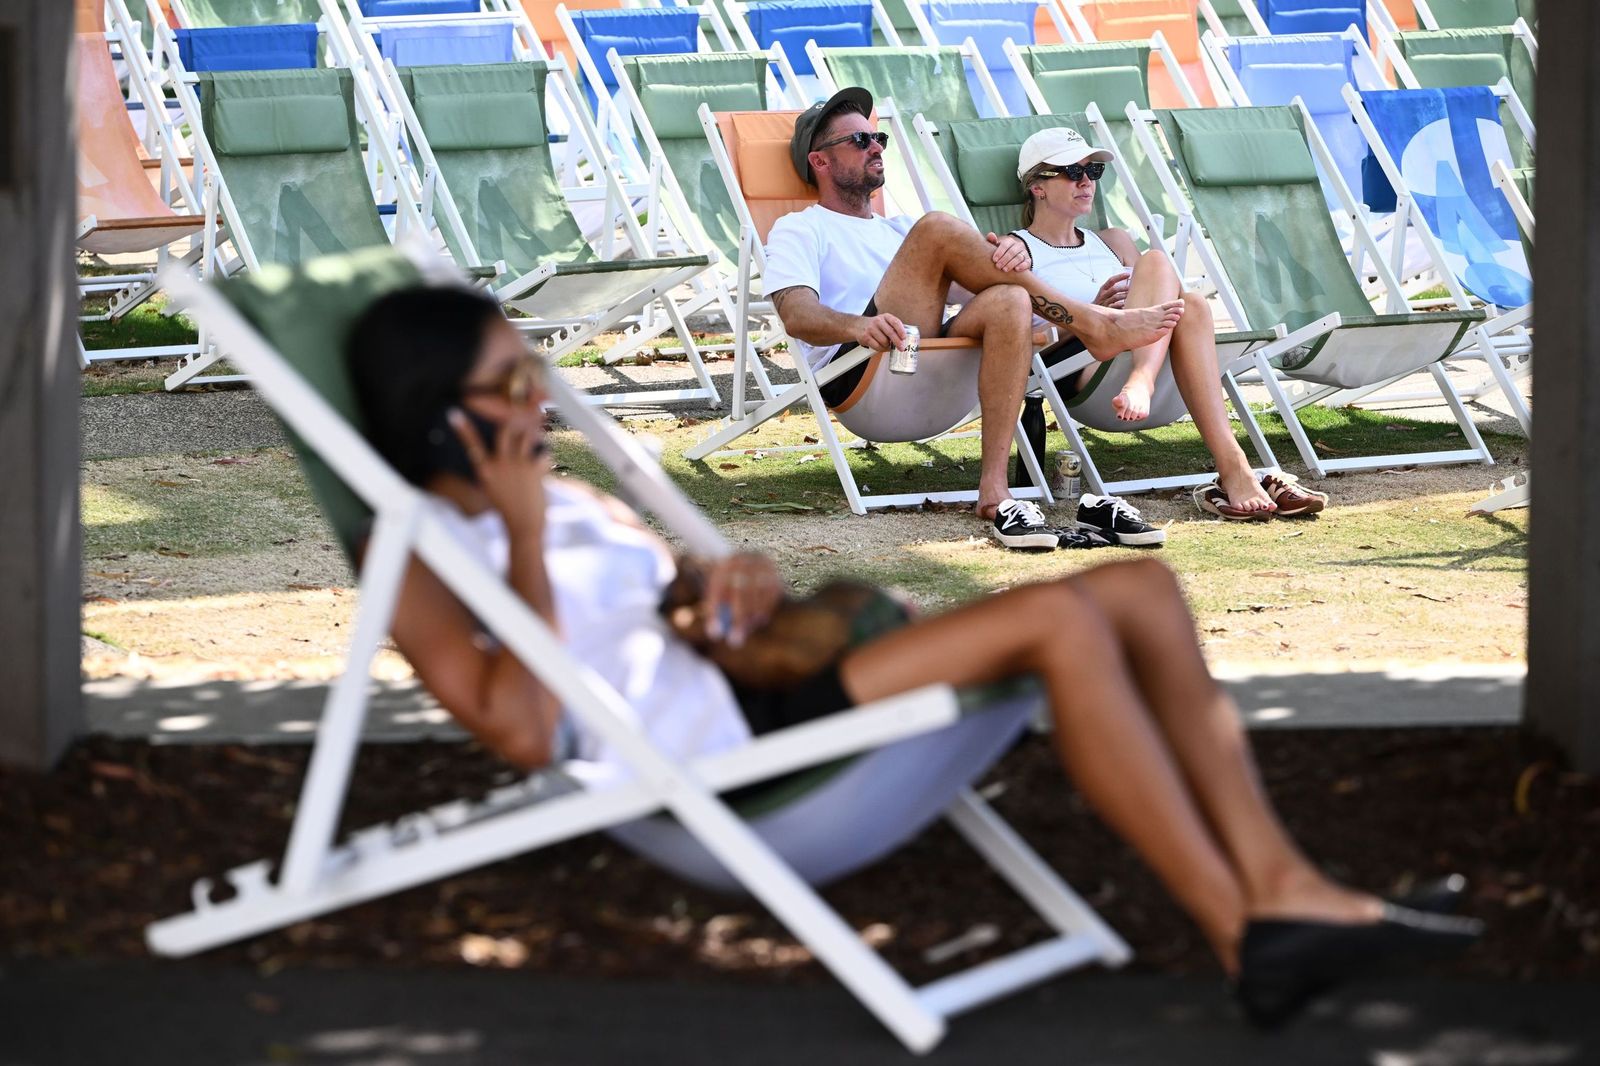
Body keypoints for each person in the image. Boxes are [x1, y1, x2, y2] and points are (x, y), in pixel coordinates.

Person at [344, 283, 1482, 1030]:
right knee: (1064, 621)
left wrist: (717, 585)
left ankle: (1278, 894)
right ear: (438, 414)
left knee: (1136, 583)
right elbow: (523, 731)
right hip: (724, 758)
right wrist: (527, 539)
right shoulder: (423, 554)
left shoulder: (562, 493)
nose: (537, 396)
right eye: (507, 384)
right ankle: (1256, 934)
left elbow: (671, 599)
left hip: (762, 681)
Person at [761, 86, 1186, 550]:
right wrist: (856, 326)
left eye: (878, 137)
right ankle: (1093, 323)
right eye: (860, 141)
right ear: (819, 161)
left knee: (1007, 298)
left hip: (929, 362)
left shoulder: (896, 228)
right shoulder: (801, 227)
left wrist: (1002, 255)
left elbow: (980, 288)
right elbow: (795, 313)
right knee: (937, 227)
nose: (877, 147)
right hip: (863, 369)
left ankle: (994, 488)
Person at [989, 127, 1331, 524]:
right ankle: (1223, 455)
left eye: (1093, 171)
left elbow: (1164, 300)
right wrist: (1092, 316)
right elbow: (1017, 336)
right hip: (1082, 366)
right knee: (1164, 273)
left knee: (1190, 300)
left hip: (1143, 360)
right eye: (1071, 171)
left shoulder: (1112, 240)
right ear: (1037, 186)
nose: (1086, 181)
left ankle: (1224, 458)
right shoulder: (1017, 251)